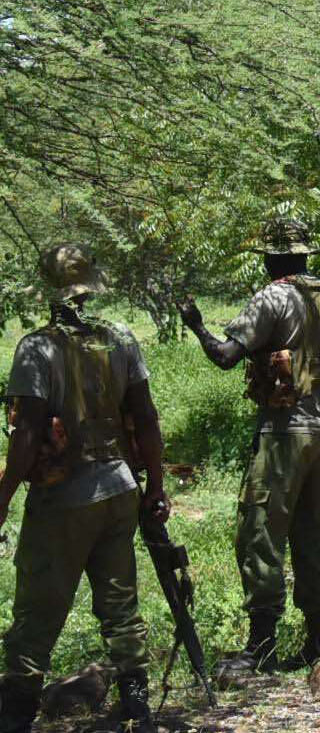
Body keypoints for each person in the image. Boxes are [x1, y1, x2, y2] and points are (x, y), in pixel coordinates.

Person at [180, 218, 320, 670]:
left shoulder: (273, 297)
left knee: (259, 529)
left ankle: (261, 646)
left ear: (274, 258)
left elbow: (226, 356)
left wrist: (198, 326)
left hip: (287, 432)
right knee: (309, 530)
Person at [0, 244, 167, 733]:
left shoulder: (37, 348)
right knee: (120, 605)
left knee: (36, 609)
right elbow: (147, 418)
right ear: (90, 290)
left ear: (48, 294)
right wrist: (154, 486)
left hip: (65, 499)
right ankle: (137, 706)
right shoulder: (121, 338)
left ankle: (14, 714)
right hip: (119, 489)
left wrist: (4, 496)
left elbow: (26, 436)